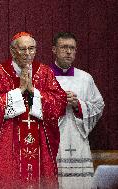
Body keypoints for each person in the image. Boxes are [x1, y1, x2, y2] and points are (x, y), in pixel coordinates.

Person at [0, 32, 67, 188]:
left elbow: (59, 102)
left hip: (38, 140)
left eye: (31, 49)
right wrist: (19, 91)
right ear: (13, 51)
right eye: (23, 49)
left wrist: (33, 91)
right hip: (8, 140)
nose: (28, 54)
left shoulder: (45, 72)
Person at [50, 32, 105, 189]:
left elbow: (98, 105)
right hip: (54, 139)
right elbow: (35, 108)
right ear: (54, 49)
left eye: (72, 48)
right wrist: (59, 103)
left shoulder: (85, 78)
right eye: (64, 47)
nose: (68, 52)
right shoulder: (43, 77)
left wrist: (78, 105)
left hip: (77, 137)